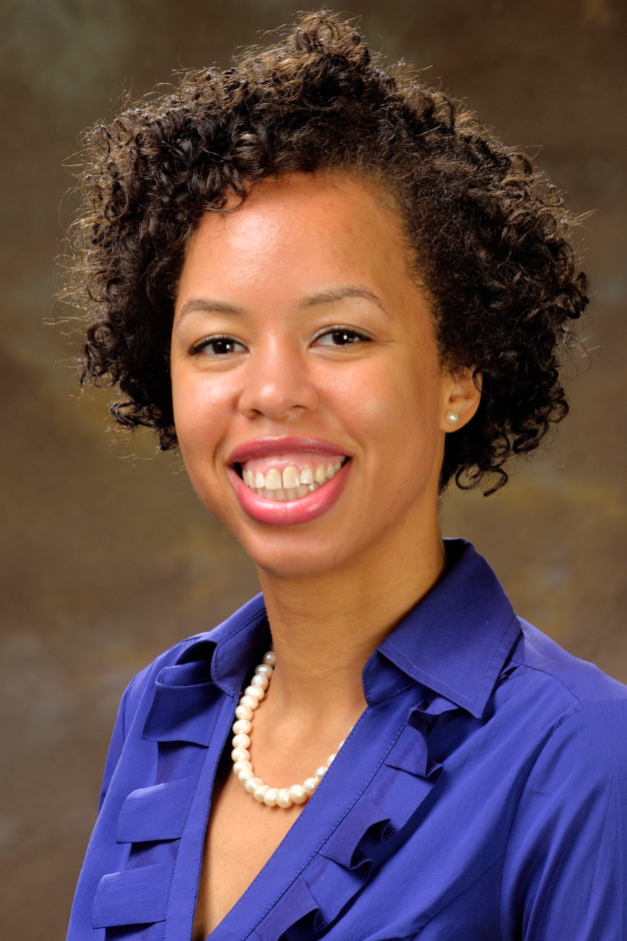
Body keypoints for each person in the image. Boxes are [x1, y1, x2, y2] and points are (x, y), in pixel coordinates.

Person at [64, 11, 627, 941]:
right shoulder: (164, 708)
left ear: (459, 373)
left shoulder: (582, 752)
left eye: (340, 335)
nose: (271, 390)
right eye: (218, 342)